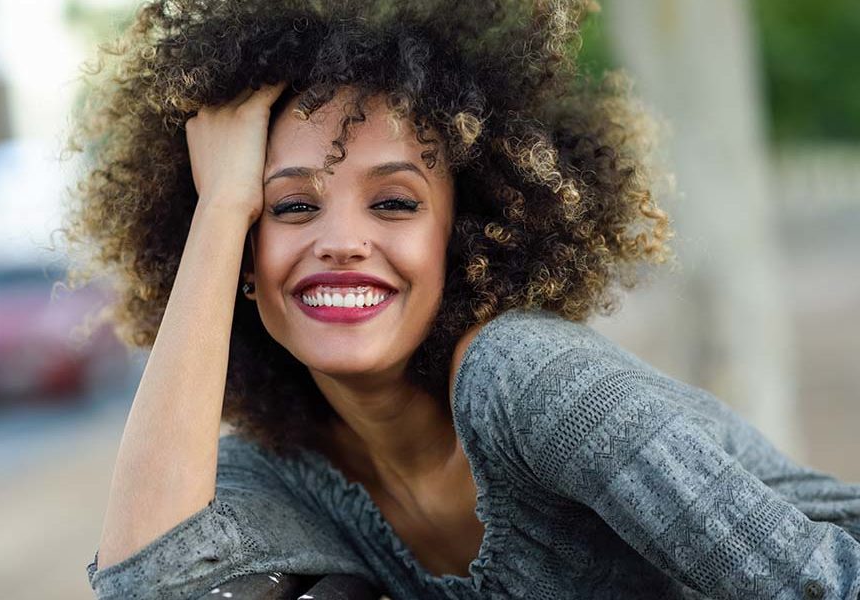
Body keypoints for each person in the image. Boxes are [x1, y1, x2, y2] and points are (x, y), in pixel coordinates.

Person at [67, 0, 860, 598]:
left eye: (395, 203)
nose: (341, 240)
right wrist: (220, 207)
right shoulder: (285, 472)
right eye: (291, 206)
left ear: (465, 237)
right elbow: (151, 583)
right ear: (243, 257)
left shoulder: (531, 384)